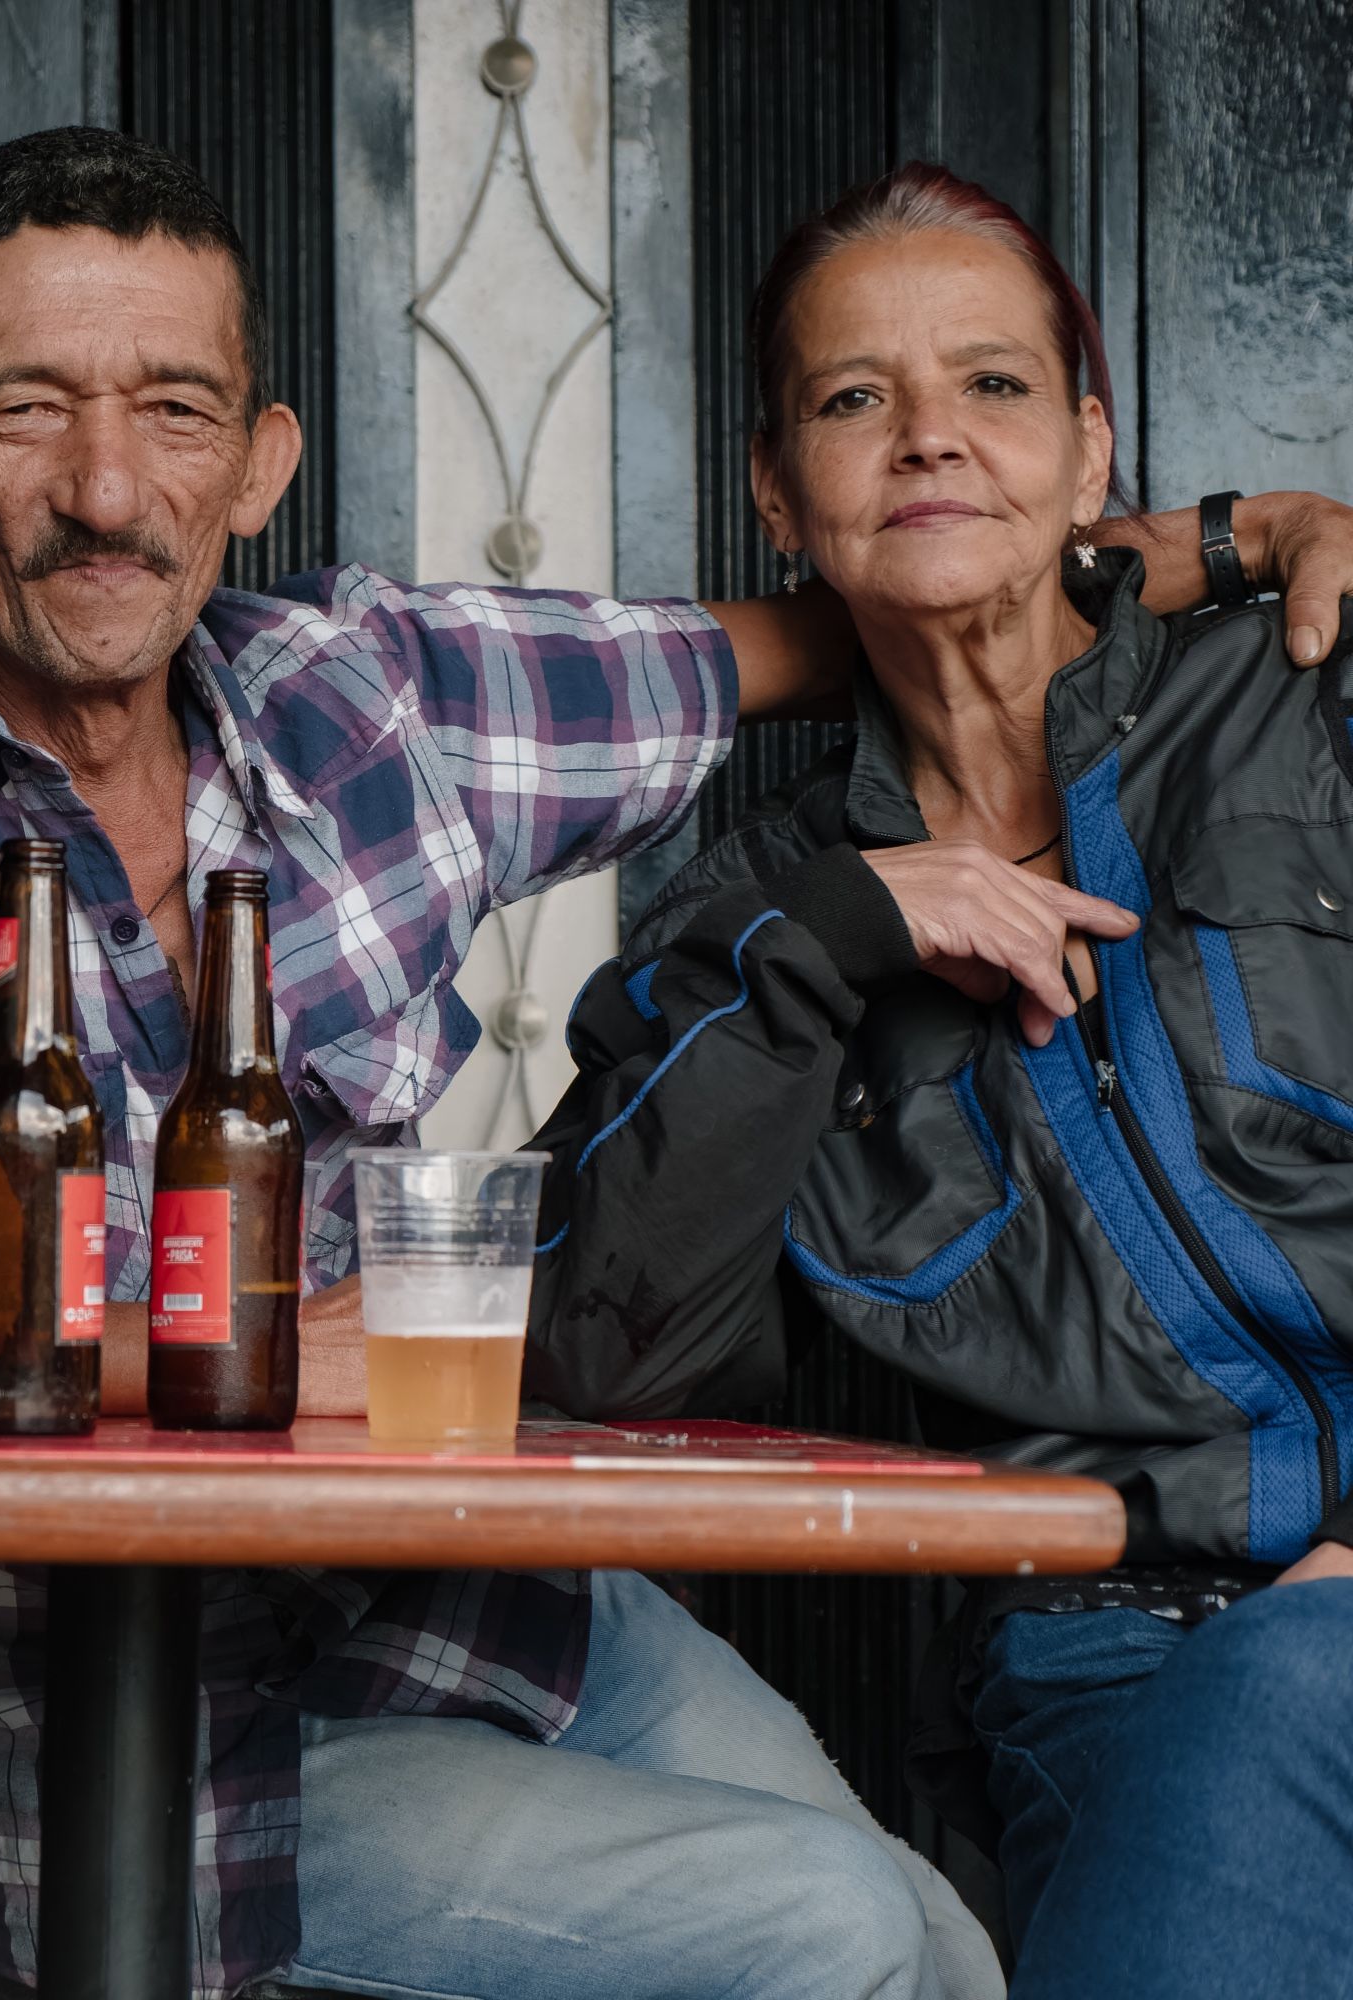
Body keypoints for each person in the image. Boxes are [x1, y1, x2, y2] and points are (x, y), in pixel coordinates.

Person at [0, 128, 1344, 2000]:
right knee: (835, 1939)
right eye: (26, 410)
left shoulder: (360, 700)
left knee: (934, 1936)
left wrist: (1228, 540)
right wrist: (249, 1342)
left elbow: (888, 590)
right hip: (94, 1746)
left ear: (259, 463)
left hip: (457, 1600)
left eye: (176, 411)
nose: (109, 488)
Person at [524, 160, 1353, 1999]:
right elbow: (607, 1354)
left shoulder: (1310, 699)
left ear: (1089, 443)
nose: (925, 438)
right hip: (1109, 1654)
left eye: (990, 384)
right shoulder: (752, 911)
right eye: (851, 398)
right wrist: (828, 938)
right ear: (777, 487)